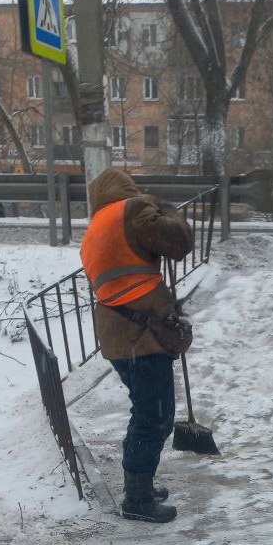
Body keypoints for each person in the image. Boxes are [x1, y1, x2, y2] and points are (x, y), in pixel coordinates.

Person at [80, 169, 193, 523]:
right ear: (126, 190)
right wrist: (168, 211)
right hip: (139, 334)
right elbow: (179, 242)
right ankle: (137, 500)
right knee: (154, 415)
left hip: (118, 333)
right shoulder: (132, 210)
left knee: (145, 409)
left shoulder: (96, 227)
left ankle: (139, 485)